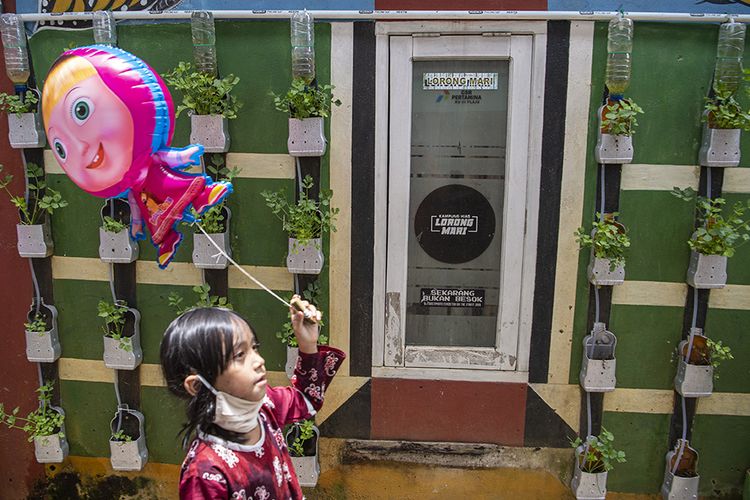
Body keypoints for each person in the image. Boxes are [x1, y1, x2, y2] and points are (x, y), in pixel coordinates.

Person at [159, 296, 344, 499]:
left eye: (254, 348)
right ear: (197, 385)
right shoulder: (205, 473)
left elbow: (305, 399)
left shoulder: (264, 407)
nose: (259, 361)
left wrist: (308, 343)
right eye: (240, 355)